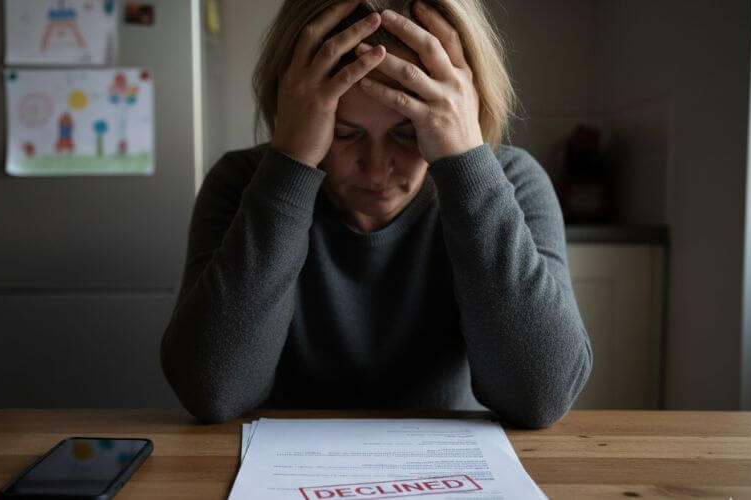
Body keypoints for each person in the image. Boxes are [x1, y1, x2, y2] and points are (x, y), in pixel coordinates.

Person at [160, 0, 592, 429]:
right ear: (291, 108)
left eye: (409, 133)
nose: (376, 167)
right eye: (344, 133)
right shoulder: (241, 184)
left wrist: (465, 164)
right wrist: (290, 164)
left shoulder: (511, 182)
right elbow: (211, 391)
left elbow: (541, 395)